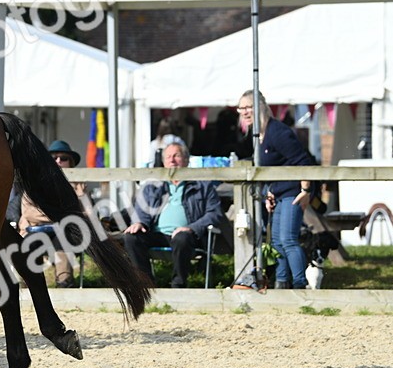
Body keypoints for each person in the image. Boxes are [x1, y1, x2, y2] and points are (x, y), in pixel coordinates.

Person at [237, 90, 316, 289]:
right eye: (242, 108)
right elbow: (277, 168)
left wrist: (306, 190)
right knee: (277, 243)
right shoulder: (260, 135)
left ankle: (300, 285)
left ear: (261, 106)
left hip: (294, 192)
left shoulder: (278, 132)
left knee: (288, 240)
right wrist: (270, 190)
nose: (245, 112)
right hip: (280, 193)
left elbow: (302, 162)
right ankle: (282, 283)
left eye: (249, 107)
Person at [122, 140, 223, 289]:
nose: (172, 160)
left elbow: (215, 213)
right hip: (157, 234)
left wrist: (191, 228)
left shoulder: (203, 185)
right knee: (130, 237)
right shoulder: (152, 186)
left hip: (188, 236)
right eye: (168, 157)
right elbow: (141, 211)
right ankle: (146, 285)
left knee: (182, 238)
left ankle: (178, 285)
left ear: (187, 161)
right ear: (163, 162)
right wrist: (140, 223)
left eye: (176, 155)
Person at [19, 140, 84, 287]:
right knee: (31, 242)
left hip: (66, 231)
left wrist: (81, 198)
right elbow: (29, 212)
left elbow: (85, 214)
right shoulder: (34, 181)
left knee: (63, 240)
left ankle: (65, 282)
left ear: (71, 162)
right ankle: (30, 284)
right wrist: (60, 216)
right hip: (38, 229)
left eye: (64, 158)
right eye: (54, 158)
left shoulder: (79, 184)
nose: (58, 161)